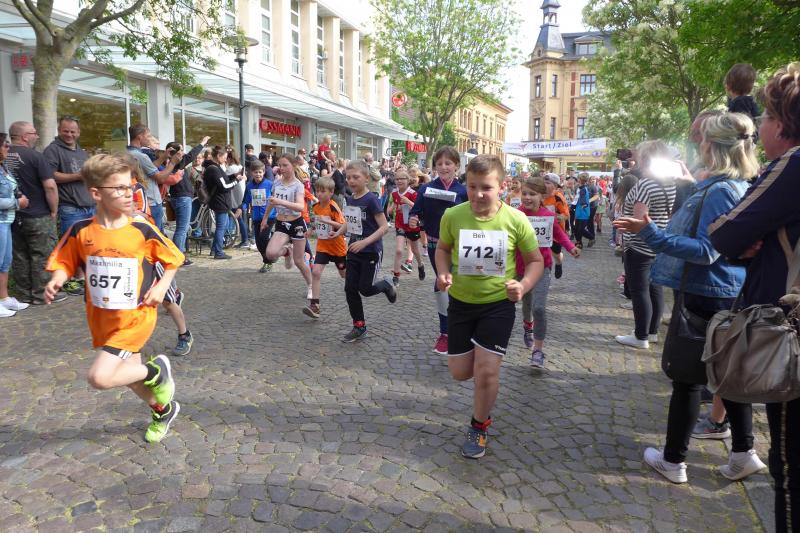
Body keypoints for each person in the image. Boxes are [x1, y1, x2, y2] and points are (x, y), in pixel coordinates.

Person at [615, 112, 765, 484]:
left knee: (687, 380)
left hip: (706, 292)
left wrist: (650, 232)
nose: (697, 144)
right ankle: (743, 453)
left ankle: (673, 461)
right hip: (720, 291)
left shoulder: (720, 190)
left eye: (701, 138)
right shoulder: (730, 185)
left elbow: (705, 251)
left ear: (712, 146)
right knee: (726, 377)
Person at [709, 63, 800, 532]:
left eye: (767, 116)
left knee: (788, 472)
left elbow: (725, 233)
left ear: (782, 124)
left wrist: (751, 240)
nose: (762, 125)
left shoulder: (793, 164)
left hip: (791, 334)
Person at [45, 153, 183, 443]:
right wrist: (57, 279)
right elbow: (65, 261)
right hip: (102, 318)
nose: (129, 193)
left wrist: (161, 287)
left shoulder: (141, 228)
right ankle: (163, 410)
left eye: (130, 186)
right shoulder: (81, 230)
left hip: (136, 316)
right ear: (96, 193)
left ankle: (156, 372)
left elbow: (173, 258)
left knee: (100, 377)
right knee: (130, 376)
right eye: (119, 188)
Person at [436, 155, 544, 458]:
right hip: (460, 303)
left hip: (498, 305)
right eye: (472, 187)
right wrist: (442, 272)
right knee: (460, 372)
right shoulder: (453, 216)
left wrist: (523, 285)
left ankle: (479, 425)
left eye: (486, 187)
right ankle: (481, 380)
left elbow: (535, 261)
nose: (478, 194)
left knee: (486, 372)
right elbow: (442, 249)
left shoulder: (516, 219)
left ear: (502, 186)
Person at [615, 140, 678, 349]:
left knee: (640, 290)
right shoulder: (669, 183)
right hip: (658, 243)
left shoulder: (646, 185)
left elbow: (639, 221)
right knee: (655, 289)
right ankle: (651, 332)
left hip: (639, 246)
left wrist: (624, 227)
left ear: (645, 159)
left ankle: (640, 336)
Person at [409, 147, 468, 355]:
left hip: (460, 246)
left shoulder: (464, 191)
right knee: (442, 283)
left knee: (457, 286)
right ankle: (445, 333)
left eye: (448, 163)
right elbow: (416, 212)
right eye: (440, 163)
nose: (444, 167)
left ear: (456, 166)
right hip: (436, 245)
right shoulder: (426, 189)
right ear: (434, 166)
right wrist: (414, 219)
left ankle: (460, 327)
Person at [517, 177, 578, 368]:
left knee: (539, 308)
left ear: (542, 196)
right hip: (520, 268)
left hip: (542, 267)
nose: (527, 197)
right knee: (527, 304)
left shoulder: (548, 216)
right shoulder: (516, 214)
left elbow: (559, 234)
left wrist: (571, 248)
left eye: (532, 194)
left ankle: (538, 350)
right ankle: (528, 326)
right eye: (524, 193)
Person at [6, 121, 65, 305]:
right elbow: (50, 186)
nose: (36, 136)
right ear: (25, 137)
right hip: (38, 214)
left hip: (13, 215)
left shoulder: (4, 156)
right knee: (42, 254)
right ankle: (41, 293)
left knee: (20, 255)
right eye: (33, 133)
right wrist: (54, 210)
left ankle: (23, 294)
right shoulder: (35, 156)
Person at [341, 160, 397, 342]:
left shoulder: (372, 199)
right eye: (348, 177)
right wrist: (338, 232)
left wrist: (365, 242)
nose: (351, 181)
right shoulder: (350, 199)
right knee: (350, 288)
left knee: (365, 289)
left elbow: (384, 227)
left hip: (371, 251)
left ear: (366, 179)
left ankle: (386, 285)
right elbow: (350, 222)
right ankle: (359, 326)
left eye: (355, 177)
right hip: (353, 250)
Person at [264, 154, 313, 300]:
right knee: (270, 254)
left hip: (296, 224)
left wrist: (280, 202)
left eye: (285, 165)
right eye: (280, 165)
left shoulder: (298, 185)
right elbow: (272, 201)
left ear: (293, 166)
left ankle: (311, 286)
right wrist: (265, 218)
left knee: (299, 261)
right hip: (281, 223)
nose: (282, 168)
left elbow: (300, 207)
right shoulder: (277, 183)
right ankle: (287, 252)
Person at [304, 176, 347, 318]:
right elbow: (316, 223)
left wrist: (328, 222)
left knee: (344, 275)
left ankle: (357, 283)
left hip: (337, 247)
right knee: (316, 272)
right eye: (317, 191)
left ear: (331, 192)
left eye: (323, 191)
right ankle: (315, 305)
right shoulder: (315, 207)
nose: (319, 194)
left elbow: (342, 226)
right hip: (323, 246)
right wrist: (310, 230)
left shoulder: (333, 207)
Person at [127, 124, 182, 232]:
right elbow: (160, 178)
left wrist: (164, 156)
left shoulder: (128, 152)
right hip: (151, 202)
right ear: (140, 137)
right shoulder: (141, 156)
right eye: (148, 136)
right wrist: (172, 163)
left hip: (141, 201)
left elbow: (148, 169)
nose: (150, 139)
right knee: (156, 235)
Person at [0, 132, 30, 317]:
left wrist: (18, 196)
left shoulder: (4, 167)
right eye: (5, 145)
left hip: (7, 220)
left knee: (5, 263)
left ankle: (4, 298)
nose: (8, 148)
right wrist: (17, 203)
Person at [203, 146, 244, 259]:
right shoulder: (214, 169)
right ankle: (218, 252)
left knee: (221, 227)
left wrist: (233, 176)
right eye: (224, 157)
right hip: (220, 201)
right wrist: (236, 180)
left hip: (220, 201)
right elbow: (224, 186)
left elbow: (223, 179)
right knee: (221, 227)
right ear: (218, 156)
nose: (226, 159)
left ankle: (214, 250)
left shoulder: (214, 168)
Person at [391, 169, 425, 286]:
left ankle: (420, 265)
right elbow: (395, 205)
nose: (399, 181)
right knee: (399, 250)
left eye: (402, 179)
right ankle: (396, 275)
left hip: (412, 224)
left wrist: (408, 202)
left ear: (408, 180)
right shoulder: (394, 193)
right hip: (400, 224)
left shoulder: (413, 193)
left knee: (415, 250)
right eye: (397, 179)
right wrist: (393, 208)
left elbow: (419, 209)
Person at [542, 173, 570, 279]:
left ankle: (558, 263)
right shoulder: (538, 195)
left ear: (555, 186)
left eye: (547, 183)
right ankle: (546, 272)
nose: (544, 185)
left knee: (556, 254)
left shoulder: (558, 197)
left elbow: (566, 215)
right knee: (543, 253)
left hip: (556, 231)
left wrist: (555, 218)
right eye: (543, 182)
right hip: (542, 230)